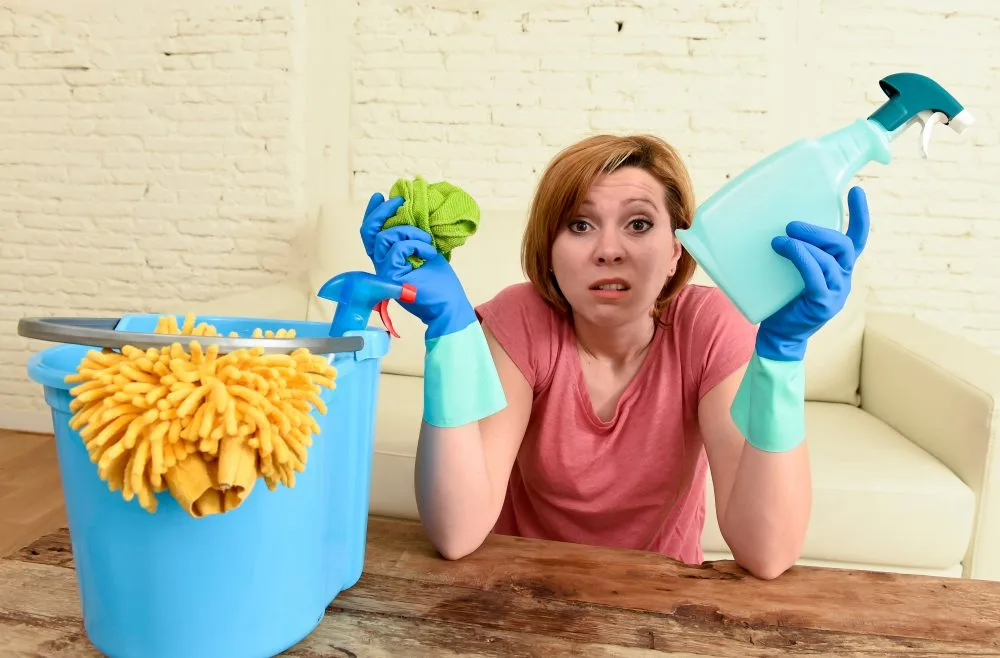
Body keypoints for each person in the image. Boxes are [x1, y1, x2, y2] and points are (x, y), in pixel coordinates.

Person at [359, 134, 869, 580]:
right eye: (580, 225)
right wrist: (449, 333)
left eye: (639, 224)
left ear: (677, 250)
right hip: (518, 593)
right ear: (549, 253)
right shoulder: (522, 318)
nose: (608, 250)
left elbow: (768, 554)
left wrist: (781, 355)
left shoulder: (708, 328)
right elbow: (456, 533)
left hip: (661, 606)